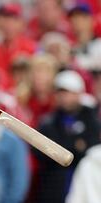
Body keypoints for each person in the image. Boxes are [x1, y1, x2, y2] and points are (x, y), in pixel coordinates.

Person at [34, 70, 101, 203]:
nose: (64, 97)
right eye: (60, 93)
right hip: (54, 188)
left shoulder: (92, 121)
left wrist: (64, 148)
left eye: (69, 93)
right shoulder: (48, 122)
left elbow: (93, 150)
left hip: (85, 186)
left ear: (79, 93)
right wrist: (75, 146)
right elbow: (40, 152)